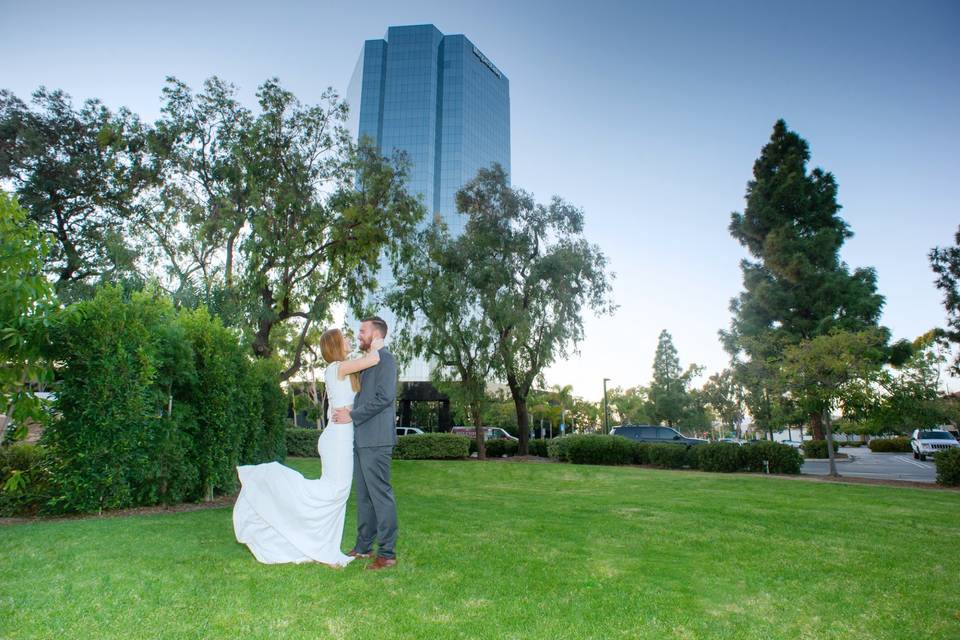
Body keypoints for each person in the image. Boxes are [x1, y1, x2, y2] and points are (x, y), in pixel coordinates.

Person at [232, 328, 383, 567]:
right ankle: (269, 479)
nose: (348, 341)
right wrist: (377, 341)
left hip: (339, 437)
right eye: (344, 339)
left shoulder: (343, 369)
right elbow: (374, 359)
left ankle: (326, 549)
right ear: (335, 345)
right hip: (338, 440)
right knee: (334, 493)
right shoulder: (337, 368)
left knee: (336, 495)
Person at [332, 316, 399, 571]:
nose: (358, 334)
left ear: (377, 333)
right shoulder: (368, 363)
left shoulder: (386, 360)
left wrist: (353, 415)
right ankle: (362, 547)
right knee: (364, 498)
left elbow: (385, 398)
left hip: (377, 440)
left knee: (380, 496)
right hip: (362, 439)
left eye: (363, 331)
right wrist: (349, 410)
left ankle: (387, 553)